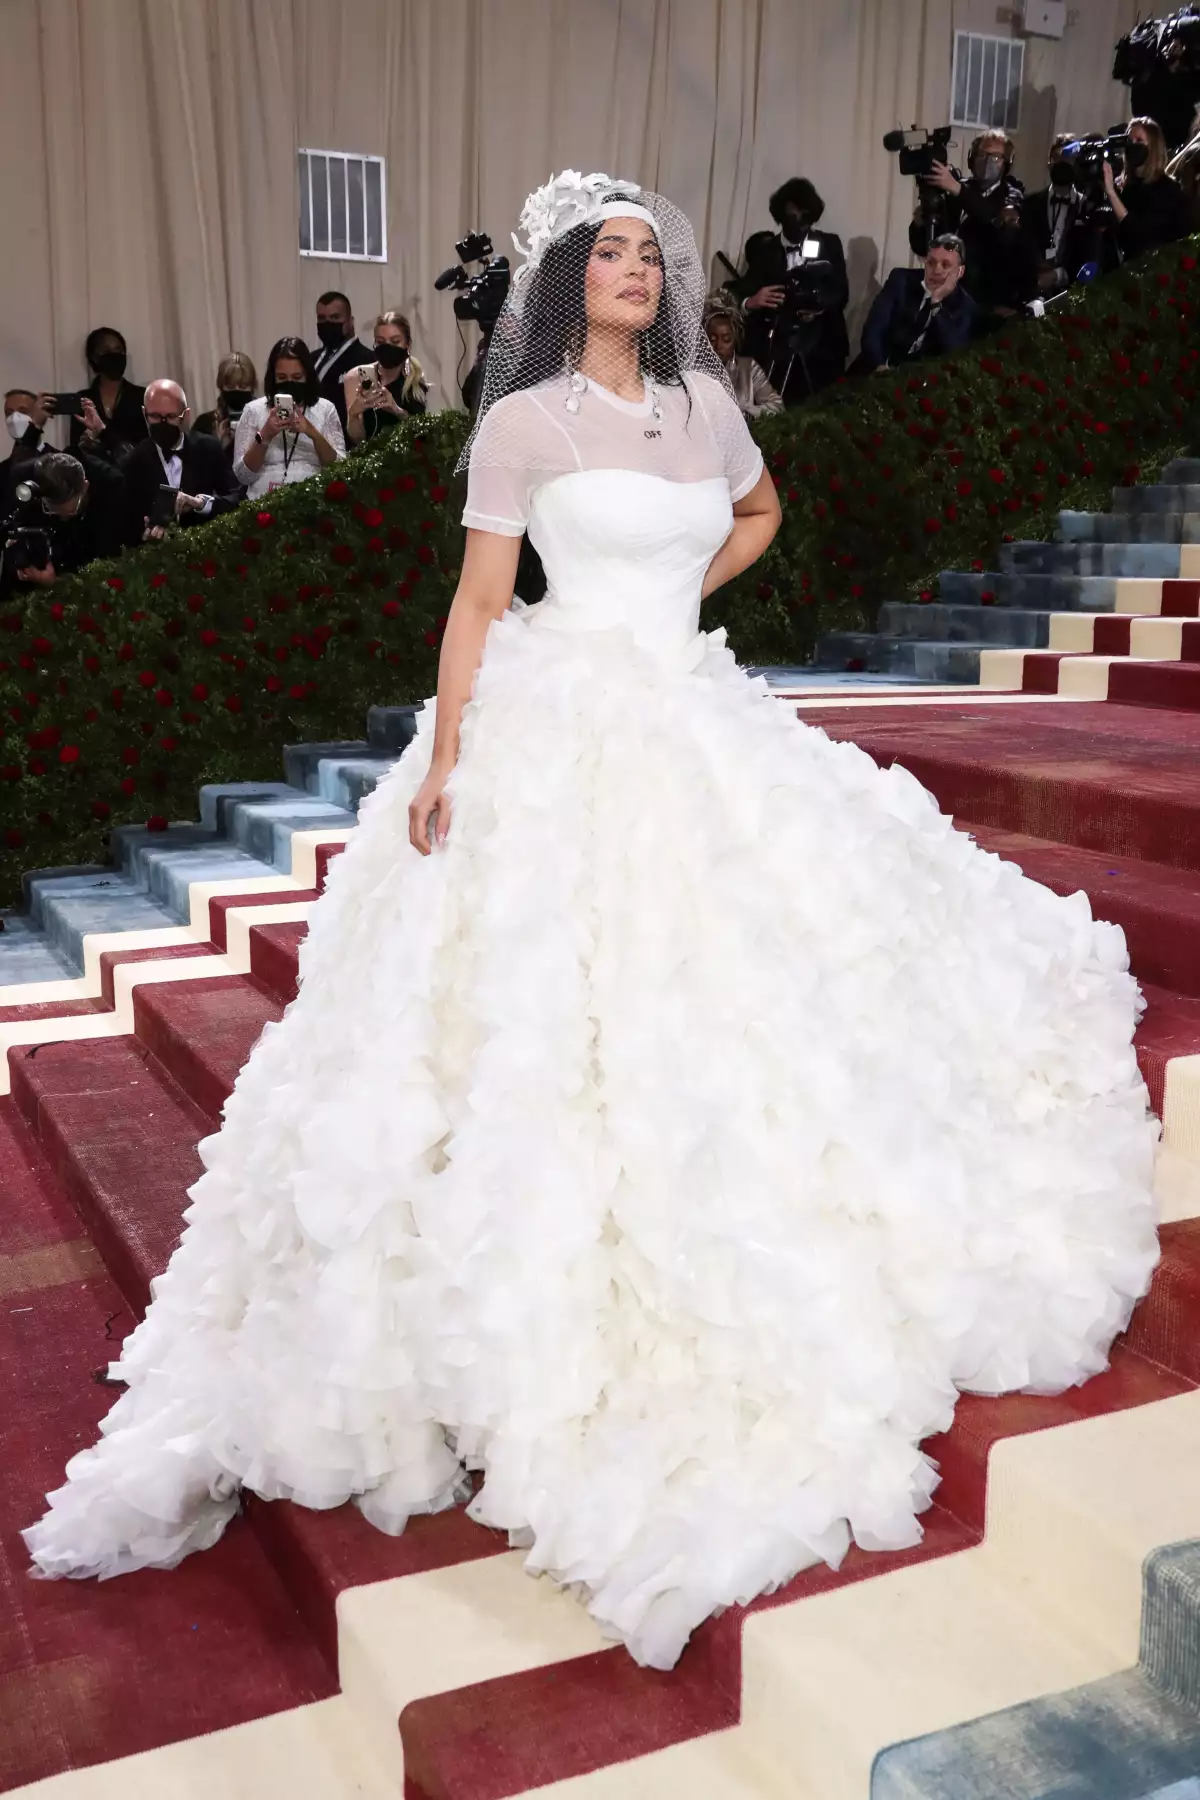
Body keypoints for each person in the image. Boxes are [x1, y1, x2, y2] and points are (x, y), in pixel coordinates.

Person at [25, 168, 1157, 1677]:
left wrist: (695, 586)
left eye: (646, 251)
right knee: (547, 1003)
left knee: (759, 980)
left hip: (689, 704)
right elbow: (483, 602)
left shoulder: (704, 409)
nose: (632, 268)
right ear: (565, 287)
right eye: (605, 253)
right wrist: (446, 756)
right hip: (559, 723)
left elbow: (760, 510)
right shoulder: (521, 421)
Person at [725, 177, 849, 403]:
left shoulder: (829, 244)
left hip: (820, 347)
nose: (802, 225)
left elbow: (840, 291)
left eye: (806, 219)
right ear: (781, 217)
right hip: (777, 346)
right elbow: (738, 291)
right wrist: (752, 301)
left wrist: (817, 306)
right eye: (794, 218)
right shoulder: (766, 251)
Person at [911, 131, 1026, 313]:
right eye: (982, 155)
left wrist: (958, 190)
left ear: (1006, 164)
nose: (988, 162)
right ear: (972, 158)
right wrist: (919, 224)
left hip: (982, 295)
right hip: (944, 290)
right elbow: (923, 246)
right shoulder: (956, 188)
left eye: (996, 157)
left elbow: (993, 220)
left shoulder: (1011, 195)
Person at [123, 379, 243, 543]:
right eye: (156, 416)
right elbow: (126, 519)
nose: (163, 424)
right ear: (145, 414)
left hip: (205, 551)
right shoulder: (134, 461)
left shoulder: (208, 448)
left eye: (171, 416)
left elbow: (236, 498)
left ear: (186, 415)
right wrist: (143, 531)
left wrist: (200, 503)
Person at [1, 450, 126, 596]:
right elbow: (16, 529)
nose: (61, 517)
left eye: (70, 511)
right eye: (51, 510)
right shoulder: (24, 479)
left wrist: (59, 582)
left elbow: (108, 564)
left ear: (85, 487)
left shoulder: (112, 488)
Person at [233, 338, 344, 500]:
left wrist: (312, 432)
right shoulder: (253, 410)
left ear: (307, 376)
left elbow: (340, 469)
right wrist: (264, 435)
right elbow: (243, 475)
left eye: (297, 377)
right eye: (282, 377)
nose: (290, 383)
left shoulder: (325, 409)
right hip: (262, 506)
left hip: (313, 503)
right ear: (273, 378)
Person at [857, 234, 978, 372]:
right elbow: (874, 329)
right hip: (876, 368)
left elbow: (954, 350)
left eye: (945, 265)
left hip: (922, 382)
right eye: (931, 263)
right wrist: (879, 366)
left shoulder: (965, 306)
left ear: (960, 271)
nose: (936, 270)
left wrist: (936, 303)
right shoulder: (901, 280)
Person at [1022, 133, 1101, 297]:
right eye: (1057, 158)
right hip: (1032, 291)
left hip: (1072, 294)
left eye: (1069, 159)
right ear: (1049, 163)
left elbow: (1089, 255)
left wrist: (1057, 275)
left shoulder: (1087, 207)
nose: (1062, 164)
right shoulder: (1030, 204)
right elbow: (1022, 246)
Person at [1104, 116, 1191, 258]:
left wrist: (1111, 194)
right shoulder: (1124, 185)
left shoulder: (1168, 189)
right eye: (1129, 141)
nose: (1132, 145)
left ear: (1153, 147)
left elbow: (1139, 235)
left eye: (1139, 141)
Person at [345, 311, 429, 446]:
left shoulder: (416, 379)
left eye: (395, 341)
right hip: (369, 461)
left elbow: (425, 436)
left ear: (408, 344)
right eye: (381, 342)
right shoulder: (356, 377)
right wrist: (353, 414)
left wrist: (396, 410)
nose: (387, 347)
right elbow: (358, 441)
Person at [67, 327, 148, 465]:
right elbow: (76, 447)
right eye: (106, 351)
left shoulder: (143, 395)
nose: (114, 355)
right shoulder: (82, 399)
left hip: (133, 474)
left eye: (118, 350)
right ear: (93, 357)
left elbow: (146, 444)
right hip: (95, 477)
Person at [702, 294, 783, 418]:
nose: (718, 346)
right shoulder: (694, 370)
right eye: (712, 340)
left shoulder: (748, 368)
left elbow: (777, 406)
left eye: (726, 339)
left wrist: (745, 413)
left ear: (735, 340)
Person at [311, 291, 369, 427]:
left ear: (351, 321)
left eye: (335, 317)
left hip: (347, 442)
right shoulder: (310, 358)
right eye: (322, 318)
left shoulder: (367, 360)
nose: (328, 323)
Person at [193, 352, 258, 462]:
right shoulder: (205, 423)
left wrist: (257, 439)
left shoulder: (264, 420)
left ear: (251, 387)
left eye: (243, 387)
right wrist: (216, 444)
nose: (236, 391)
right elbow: (196, 466)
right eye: (230, 386)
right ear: (221, 386)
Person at [2, 388, 55, 515]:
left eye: (23, 411)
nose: (14, 418)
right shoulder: (3, 470)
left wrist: (35, 427)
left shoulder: (58, 461)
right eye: (9, 413)